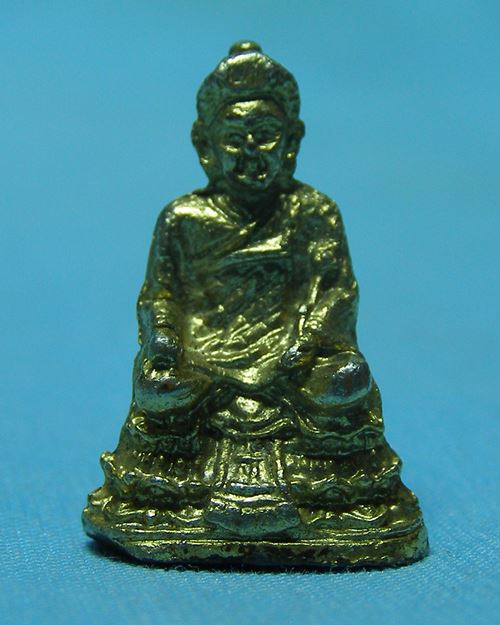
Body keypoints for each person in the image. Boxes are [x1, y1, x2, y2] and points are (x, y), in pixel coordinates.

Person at [83, 42, 427, 566]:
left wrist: (304, 344)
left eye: (265, 136)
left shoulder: (313, 212)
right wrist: (166, 338)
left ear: (292, 142)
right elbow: (160, 295)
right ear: (205, 146)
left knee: (346, 379)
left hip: (295, 361)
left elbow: (337, 291)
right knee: (158, 388)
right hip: (206, 361)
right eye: (233, 139)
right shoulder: (183, 219)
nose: (250, 153)